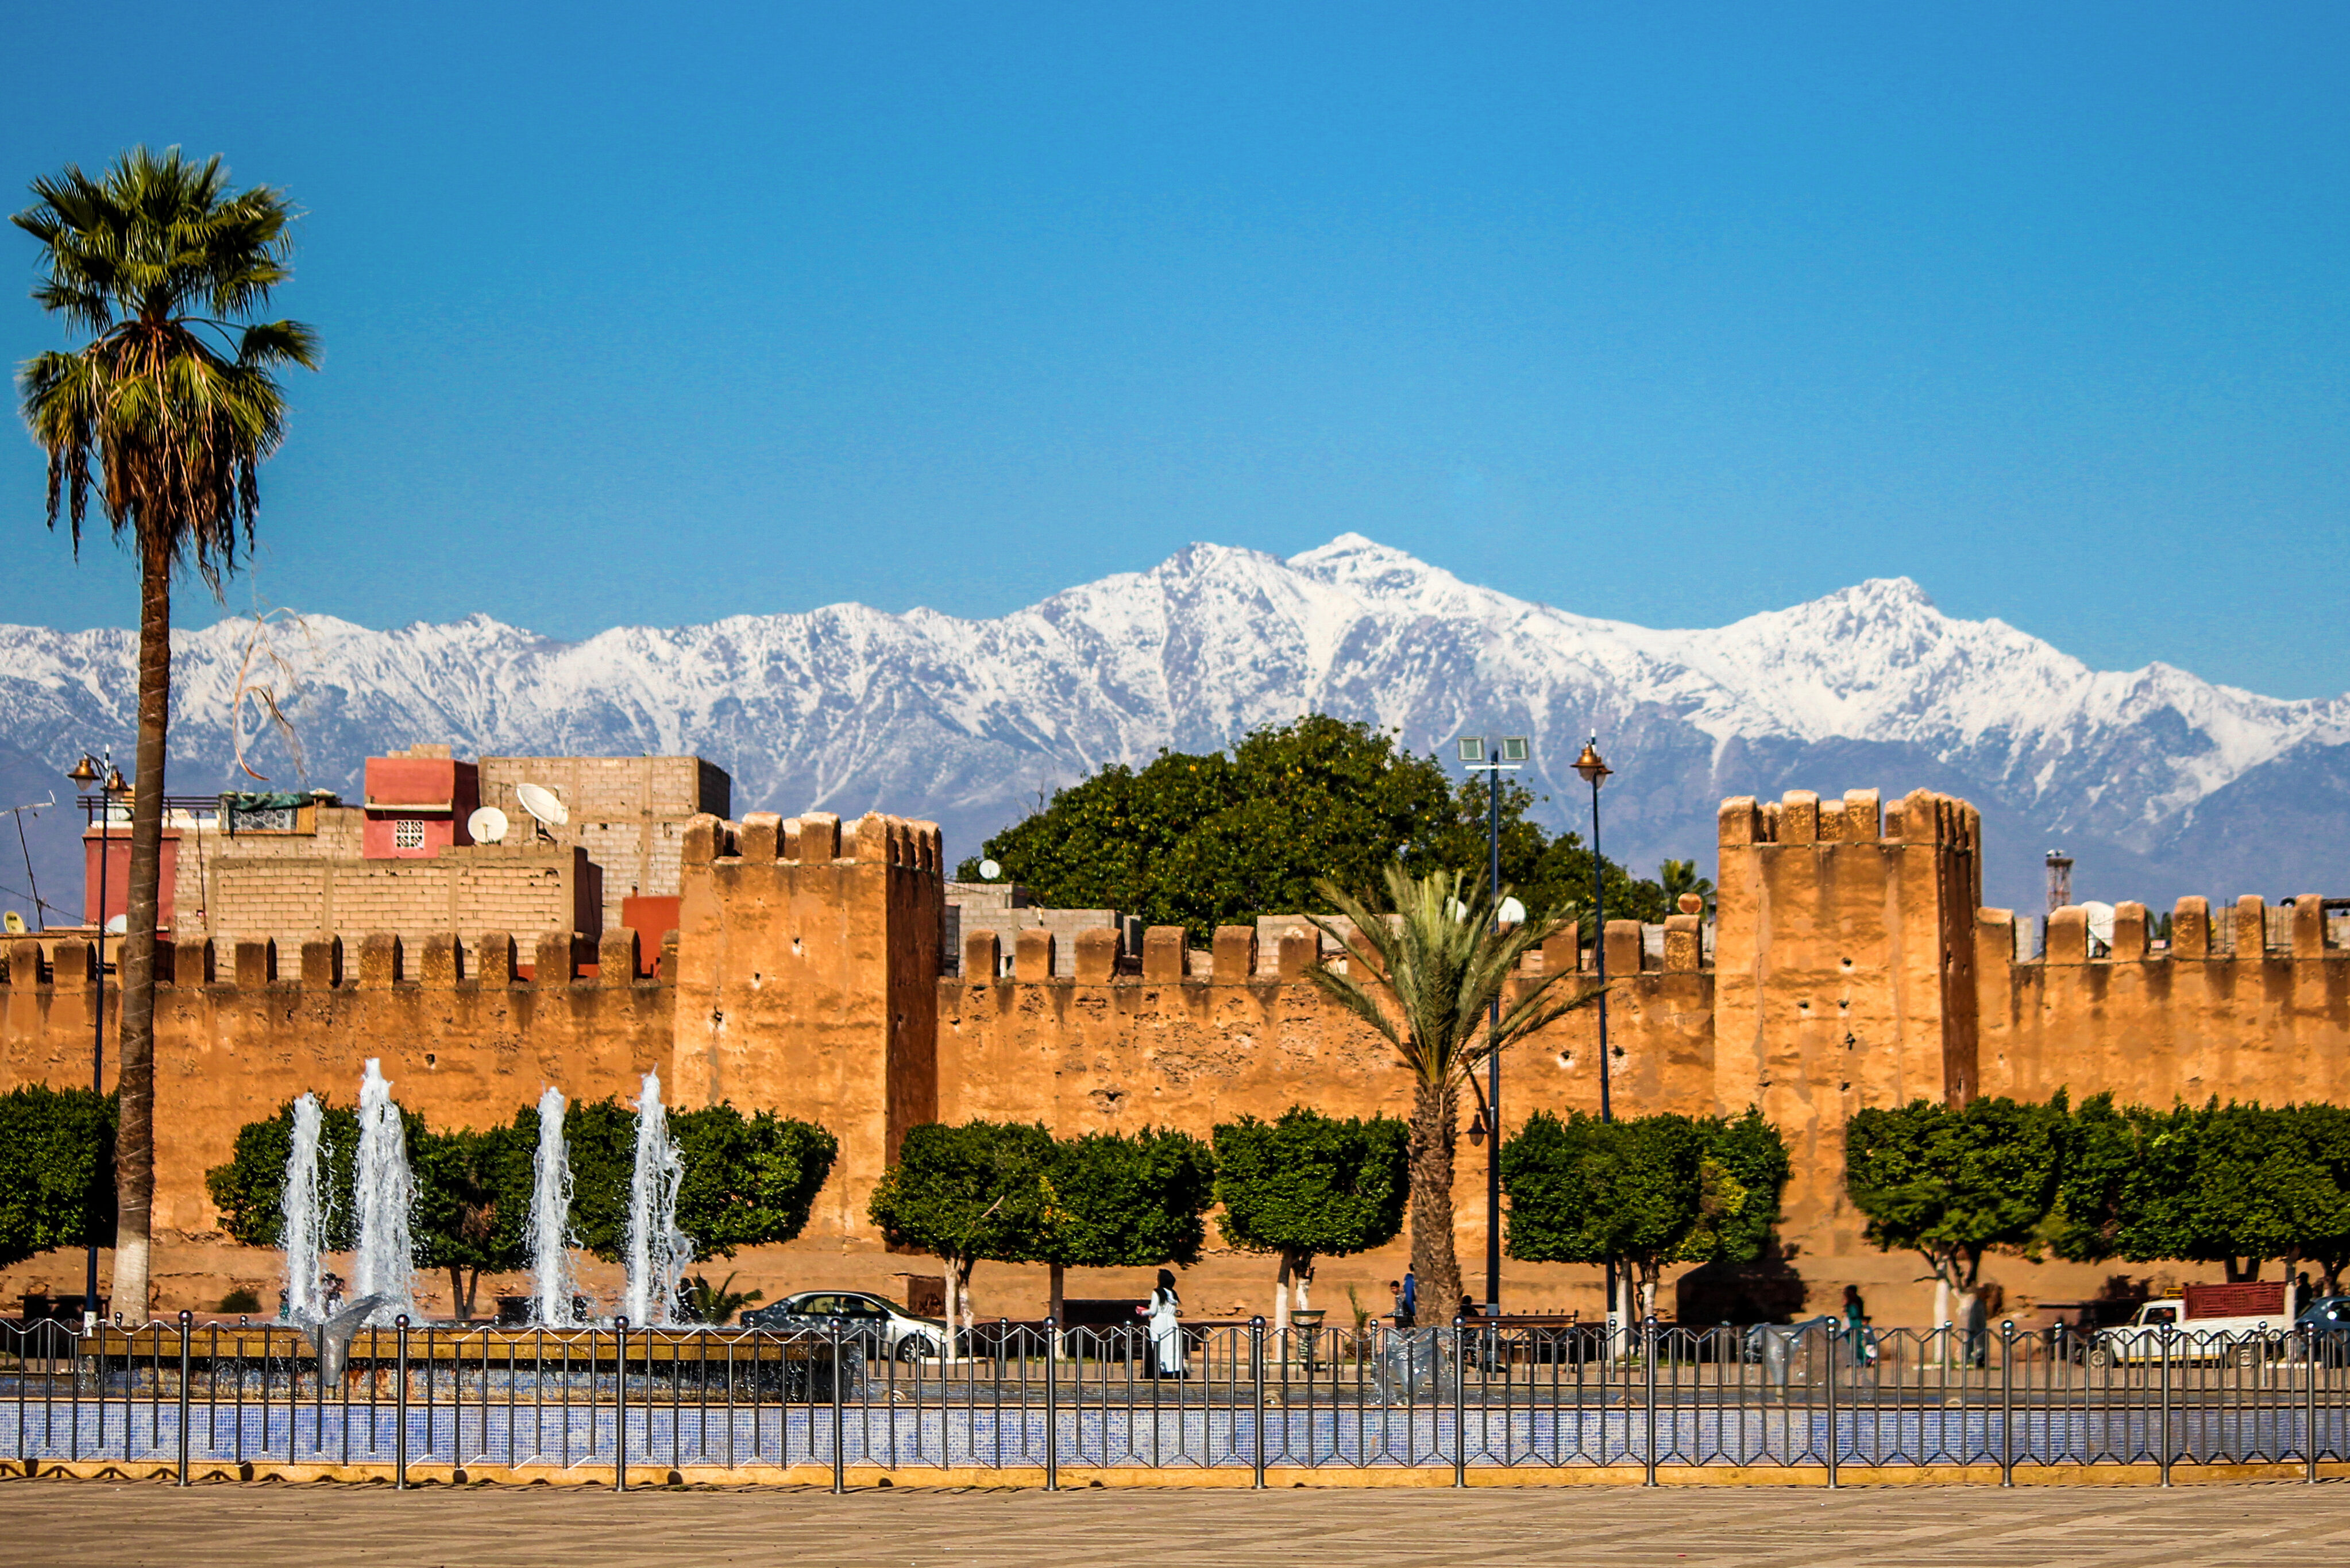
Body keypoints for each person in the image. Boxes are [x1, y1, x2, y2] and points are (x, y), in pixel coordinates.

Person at [1140, 1269, 1186, 1378]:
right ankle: (1173, 1369)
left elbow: (1153, 1311)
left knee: (1158, 1345)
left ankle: (1159, 1369)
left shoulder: (1157, 1292)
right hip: (1171, 1322)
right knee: (1171, 1346)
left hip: (1159, 1322)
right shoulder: (1173, 1294)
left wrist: (1142, 1312)